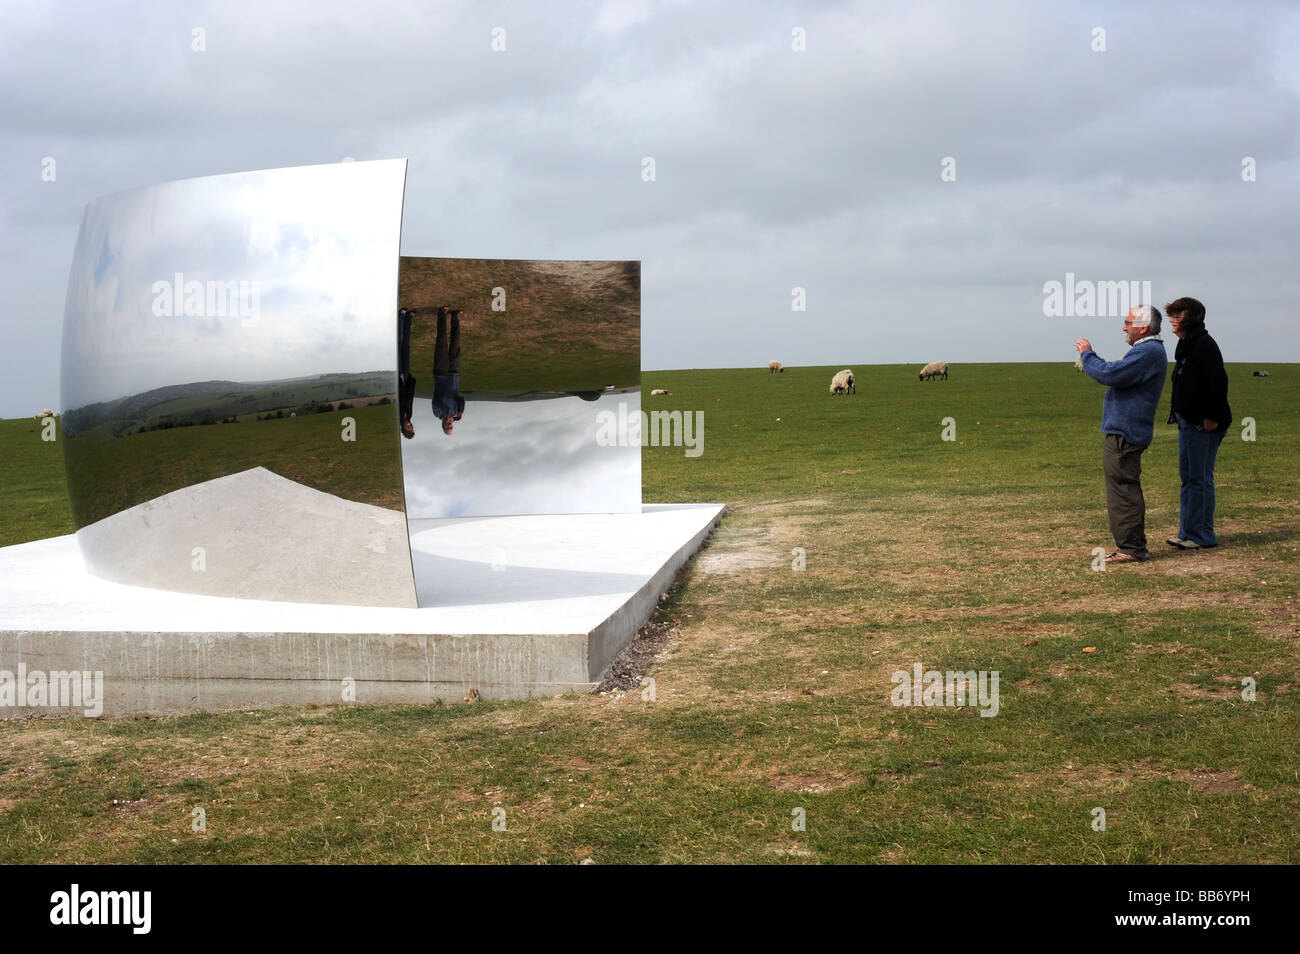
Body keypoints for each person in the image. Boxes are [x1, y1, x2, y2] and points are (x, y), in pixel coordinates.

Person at [1074, 305, 1167, 564]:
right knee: (1122, 488)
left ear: (1143, 327)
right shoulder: (1148, 351)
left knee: (1123, 491)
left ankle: (1132, 548)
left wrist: (1087, 354)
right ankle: (1131, 546)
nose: (1124, 327)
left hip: (1125, 433)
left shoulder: (1147, 352)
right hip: (1127, 431)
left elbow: (1109, 373)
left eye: (1128, 322)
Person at [1164, 297, 1231, 550]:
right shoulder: (1186, 345)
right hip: (1188, 422)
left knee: (1200, 478)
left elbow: (1218, 382)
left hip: (1203, 424)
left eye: (1177, 315)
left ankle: (1203, 535)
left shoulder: (1203, 344)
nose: (1172, 319)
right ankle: (1188, 532)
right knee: (1189, 477)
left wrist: (1212, 417)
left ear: (1190, 318)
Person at [431, 306, 465, 435]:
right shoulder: (456, 411)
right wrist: (460, 410)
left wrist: (447, 414)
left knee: (442, 342)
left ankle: (442, 314)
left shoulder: (437, 413)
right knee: (456, 343)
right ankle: (455, 316)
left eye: (447, 427)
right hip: (454, 374)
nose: (450, 425)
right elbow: (461, 398)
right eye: (451, 427)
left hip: (441, 373)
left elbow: (438, 400)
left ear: (443, 425)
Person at [397, 307, 416, 439]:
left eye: (408, 427)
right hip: (406, 378)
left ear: (403, 429)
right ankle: (409, 318)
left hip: (398, 379)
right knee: (407, 346)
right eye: (412, 426)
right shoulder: (409, 415)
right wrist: (412, 383)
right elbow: (410, 398)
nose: (410, 424)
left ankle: (402, 317)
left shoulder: (396, 416)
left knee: (399, 345)